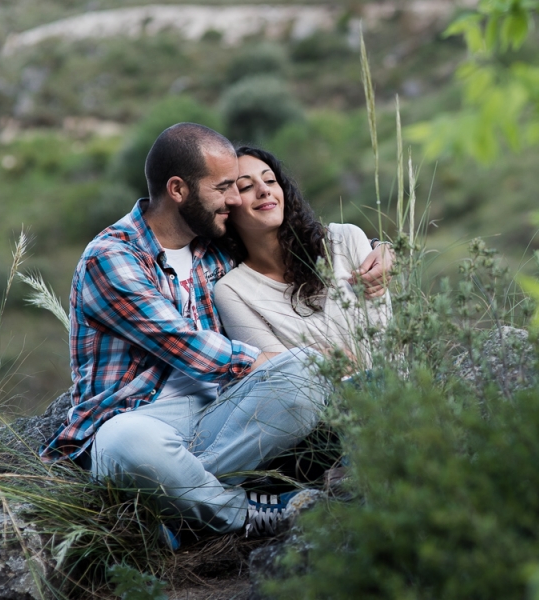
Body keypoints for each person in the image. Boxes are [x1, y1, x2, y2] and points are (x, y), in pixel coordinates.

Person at [40, 123, 392, 544]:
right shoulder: (112, 256)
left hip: (221, 416)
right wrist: (259, 364)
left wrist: (379, 247)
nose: (233, 199)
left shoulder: (214, 245)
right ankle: (246, 512)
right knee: (124, 444)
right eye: (223, 187)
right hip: (139, 418)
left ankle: (171, 502)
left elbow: (289, 239)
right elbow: (180, 341)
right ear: (178, 189)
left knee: (311, 368)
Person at [213, 146, 392, 363]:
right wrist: (319, 361)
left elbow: (387, 346)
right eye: (246, 186)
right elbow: (284, 375)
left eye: (270, 181)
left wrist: (384, 247)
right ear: (226, 207)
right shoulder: (233, 291)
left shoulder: (345, 240)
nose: (264, 190)